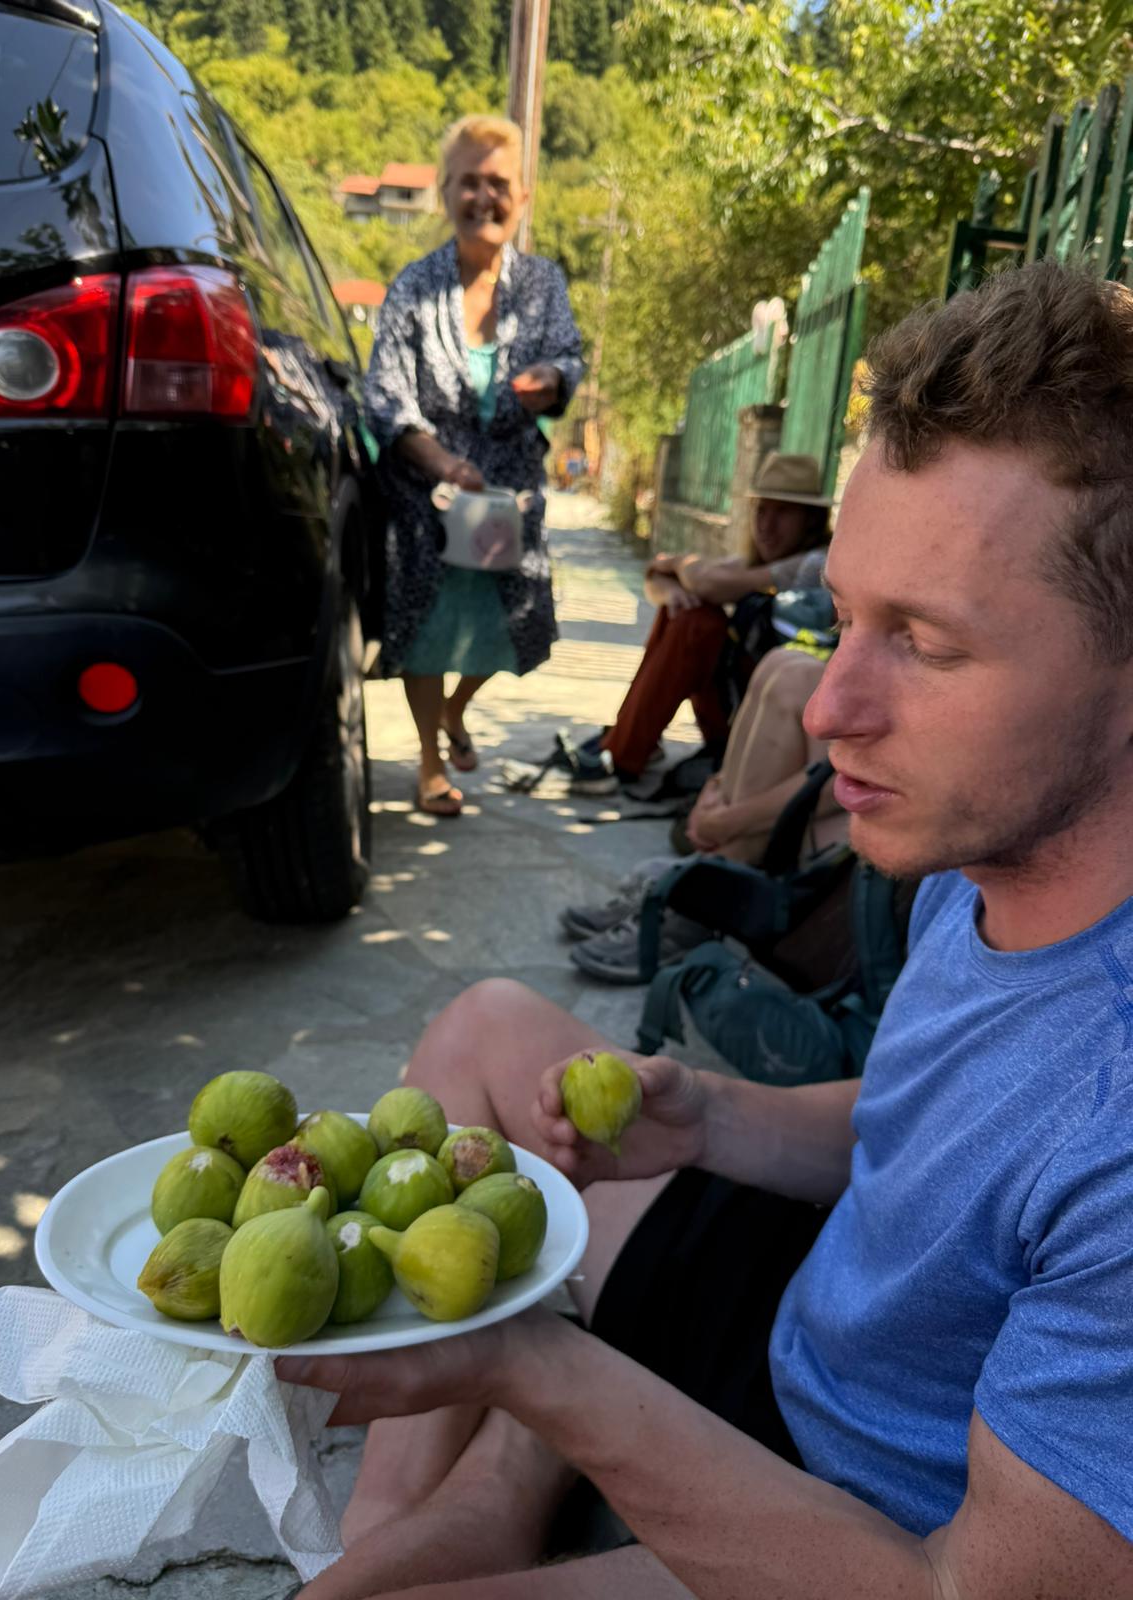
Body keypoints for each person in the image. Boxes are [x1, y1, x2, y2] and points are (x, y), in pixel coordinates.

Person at [278, 260, 1133, 1600]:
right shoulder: (986, 868)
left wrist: (537, 1368)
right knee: (487, 1029)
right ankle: (423, 1520)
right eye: (846, 618)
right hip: (799, 1321)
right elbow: (921, 1130)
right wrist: (713, 1119)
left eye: (925, 643)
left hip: (869, 1533)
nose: (832, 708)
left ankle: (519, 1462)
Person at [364, 116, 584, 816]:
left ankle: (456, 710)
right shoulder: (413, 286)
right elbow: (386, 393)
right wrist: (440, 462)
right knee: (428, 630)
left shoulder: (542, 283)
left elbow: (569, 355)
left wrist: (552, 378)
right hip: (426, 493)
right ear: (444, 192)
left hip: (505, 495)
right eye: (468, 182)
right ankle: (430, 761)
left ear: (523, 196)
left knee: (513, 618)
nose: (483, 197)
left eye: (498, 183)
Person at [564, 640, 847, 983]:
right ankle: (714, 865)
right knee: (782, 664)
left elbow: (846, 775)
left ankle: (711, 887)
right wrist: (713, 793)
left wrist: (728, 822)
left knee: (793, 678)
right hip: (827, 803)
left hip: (849, 837)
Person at [568, 452, 831, 793]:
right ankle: (627, 743)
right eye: (761, 511)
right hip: (740, 704)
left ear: (810, 520)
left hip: (773, 722)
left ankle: (622, 753)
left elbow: (706, 582)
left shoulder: (814, 565)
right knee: (686, 612)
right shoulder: (758, 562)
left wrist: (677, 568)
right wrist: (672, 589)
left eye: (782, 513)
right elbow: (657, 575)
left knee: (698, 623)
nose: (766, 525)